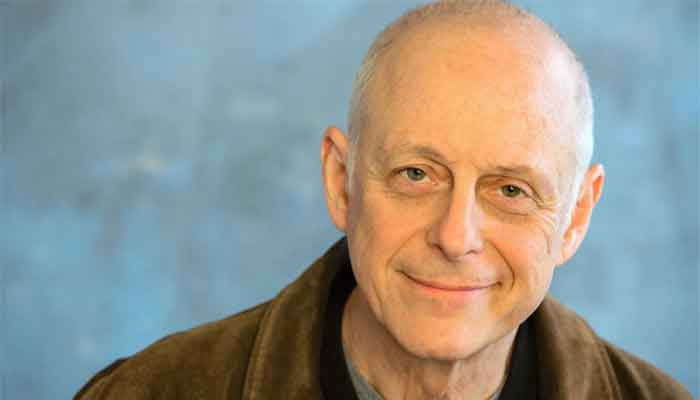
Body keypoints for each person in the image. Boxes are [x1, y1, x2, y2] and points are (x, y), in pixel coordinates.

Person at [75, 1, 692, 399]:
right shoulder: (152, 390)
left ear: (576, 216)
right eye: (416, 174)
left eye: (511, 190)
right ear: (341, 181)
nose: (456, 237)